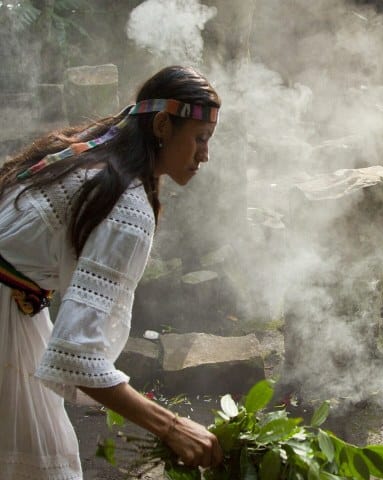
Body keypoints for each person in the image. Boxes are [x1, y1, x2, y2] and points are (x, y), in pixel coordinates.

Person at [0, 65, 224, 479]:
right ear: (161, 124)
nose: (205, 155)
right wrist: (174, 427)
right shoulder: (127, 203)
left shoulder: (95, 157)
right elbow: (77, 354)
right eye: (200, 138)